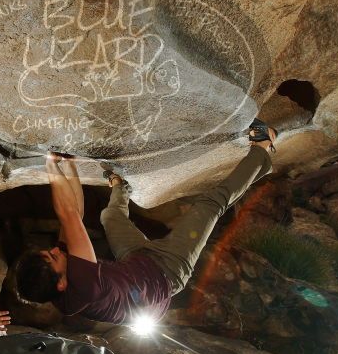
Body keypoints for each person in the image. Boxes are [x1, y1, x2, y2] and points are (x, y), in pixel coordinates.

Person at [15, 119, 277, 325]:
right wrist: (50, 165)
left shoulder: (61, 279)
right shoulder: (84, 287)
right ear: (61, 283)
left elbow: (78, 214)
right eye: (52, 257)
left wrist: (69, 166)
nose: (55, 250)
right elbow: (69, 215)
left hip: (135, 263)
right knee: (210, 204)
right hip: (168, 271)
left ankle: (120, 185)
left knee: (110, 216)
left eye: (48, 252)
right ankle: (263, 149)